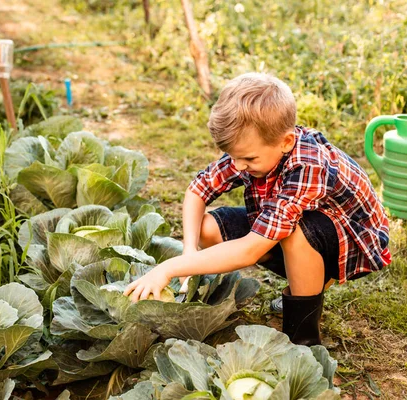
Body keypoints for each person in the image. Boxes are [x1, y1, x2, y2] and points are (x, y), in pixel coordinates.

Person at [123, 72, 391, 346]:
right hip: (294, 225)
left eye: (248, 158)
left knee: (294, 232)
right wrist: (189, 251)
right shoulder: (254, 149)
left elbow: (250, 249)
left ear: (286, 142)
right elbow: (197, 190)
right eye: (235, 157)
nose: (238, 166)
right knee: (207, 228)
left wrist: (169, 268)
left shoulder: (308, 165)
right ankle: (307, 282)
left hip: (352, 243)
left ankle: (303, 338)